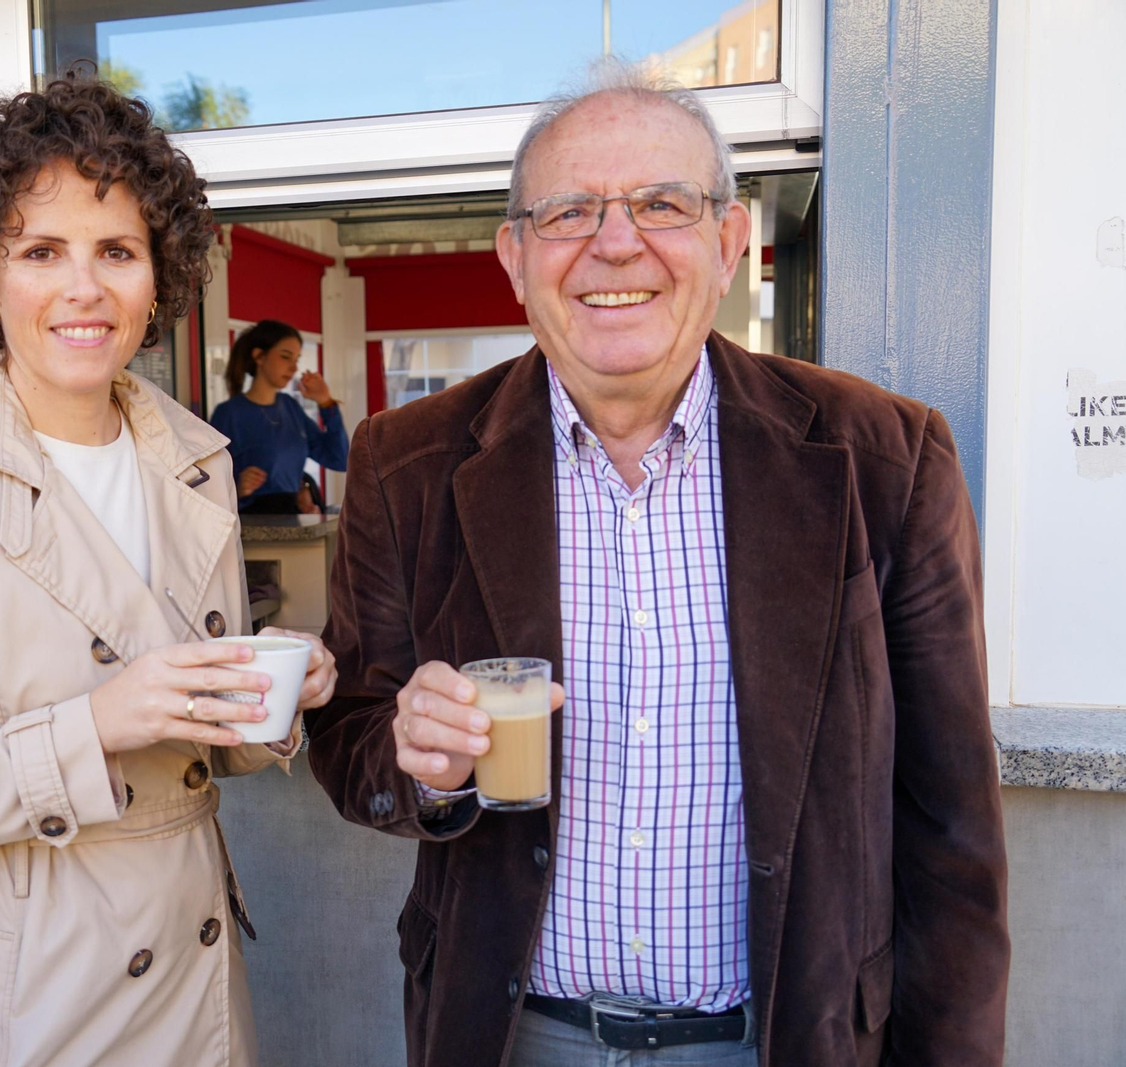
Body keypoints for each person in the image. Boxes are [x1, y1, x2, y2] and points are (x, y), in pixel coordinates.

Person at [306, 59, 1008, 1067]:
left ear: (728, 243)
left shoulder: (883, 457)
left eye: (660, 203)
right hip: (513, 1034)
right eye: (568, 213)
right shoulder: (404, 461)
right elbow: (353, 741)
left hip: (786, 1036)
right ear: (514, 256)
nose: (614, 242)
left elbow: (950, 826)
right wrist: (418, 759)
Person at [0, 71, 337, 1067]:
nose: (85, 288)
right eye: (42, 250)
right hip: (0, 1009)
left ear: (156, 275)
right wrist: (93, 726)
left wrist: (270, 691)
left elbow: (188, 746)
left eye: (116, 250)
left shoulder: (191, 454)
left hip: (188, 997)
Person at [210, 318, 348, 513]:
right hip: (249, 525)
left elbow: (340, 459)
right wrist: (237, 487)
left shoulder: (291, 408)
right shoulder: (228, 414)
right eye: (285, 357)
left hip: (293, 521)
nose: (293, 368)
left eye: (296, 360)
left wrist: (326, 403)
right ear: (259, 356)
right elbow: (206, 484)